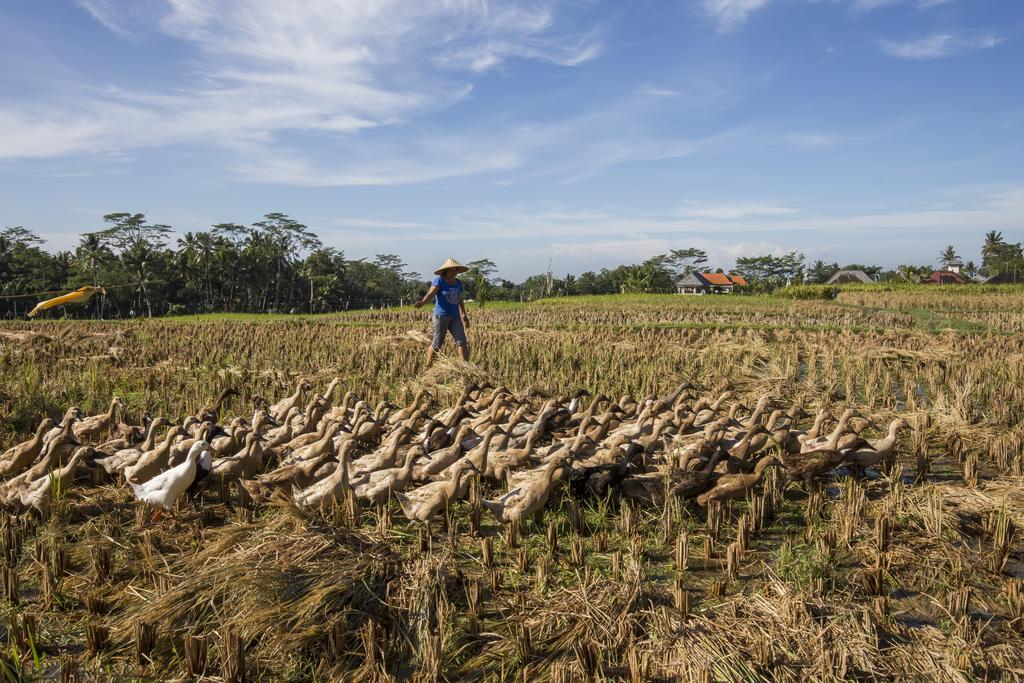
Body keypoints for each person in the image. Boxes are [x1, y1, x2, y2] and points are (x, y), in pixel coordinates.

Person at [414, 257, 471, 364]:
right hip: (441, 317)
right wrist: (422, 302)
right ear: (446, 270)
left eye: (456, 270)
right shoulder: (439, 280)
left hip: (455, 317)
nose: (455, 272)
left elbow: (459, 298)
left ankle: (465, 368)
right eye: (453, 270)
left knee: (462, 342)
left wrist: (464, 314)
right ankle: (428, 366)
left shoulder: (458, 282)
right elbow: (431, 294)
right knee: (437, 343)